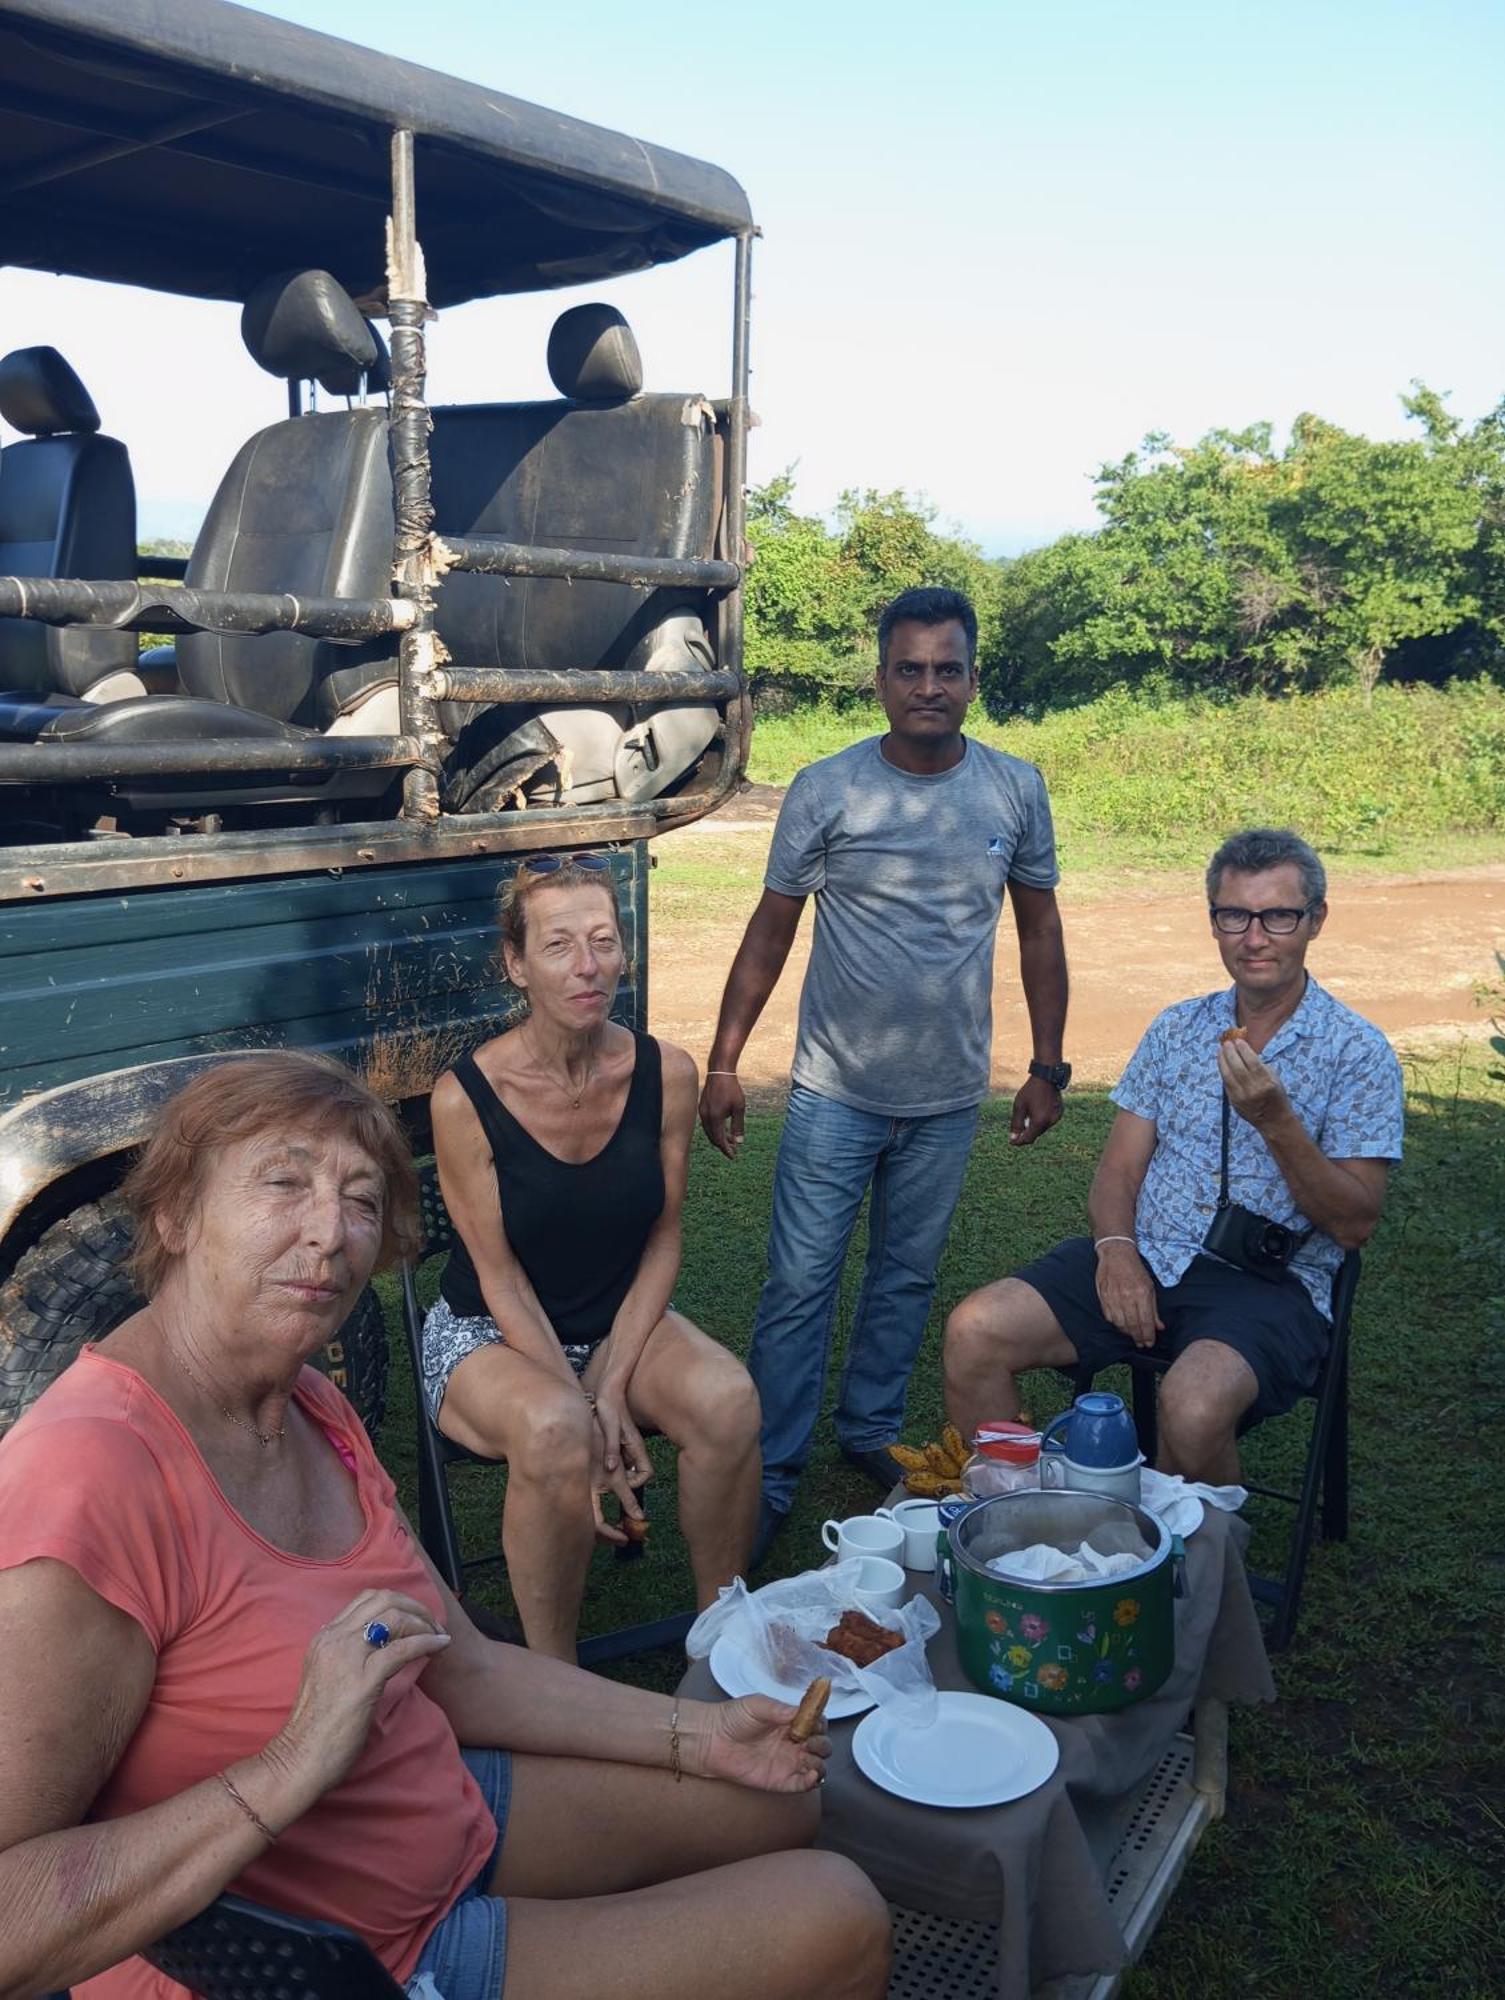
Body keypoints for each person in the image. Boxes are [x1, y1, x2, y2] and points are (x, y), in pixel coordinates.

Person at [0, 1053, 891, 2000]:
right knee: (838, 1911)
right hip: (332, 1964)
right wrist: (292, 1761)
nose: (331, 1233)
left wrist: (700, 1730)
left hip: (425, 1816)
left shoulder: (304, 1403)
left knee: (772, 1807)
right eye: (282, 1182)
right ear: (173, 1215)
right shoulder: (87, 1478)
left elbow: (458, 1665)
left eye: (360, 1199)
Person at [700, 586, 1070, 1544]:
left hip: (950, 1098)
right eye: (909, 669)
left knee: (904, 1278)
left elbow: (1039, 931)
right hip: (833, 1091)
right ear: (879, 681)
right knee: (798, 1285)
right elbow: (769, 931)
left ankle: (866, 1427)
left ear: (973, 681)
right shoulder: (828, 788)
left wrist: (1048, 1065)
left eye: (947, 669)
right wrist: (724, 1062)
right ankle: (773, 1468)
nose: (928, 687)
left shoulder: (1013, 788)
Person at [944, 828, 1404, 1483]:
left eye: (1277, 916)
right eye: (1233, 915)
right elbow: (1118, 1171)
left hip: (1268, 1287)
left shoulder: (1356, 1053)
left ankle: (1196, 1573)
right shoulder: (1176, 1028)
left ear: (1314, 921)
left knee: (1188, 1407)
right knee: (974, 1330)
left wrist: (1274, 1120)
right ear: (1213, 922)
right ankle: (1021, 1530)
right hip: (1149, 1256)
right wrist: (1115, 1250)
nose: (1253, 938)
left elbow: (1354, 1222)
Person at [423, 854, 761, 1659]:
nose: (587, 966)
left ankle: (724, 1637)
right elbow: (496, 1272)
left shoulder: (666, 1074)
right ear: (515, 964)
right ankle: (553, 1673)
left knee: (727, 1400)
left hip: (617, 1322)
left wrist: (609, 1382)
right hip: (489, 1333)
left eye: (604, 941)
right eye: (558, 945)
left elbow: (662, 1235)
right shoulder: (463, 1097)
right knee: (552, 1431)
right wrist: (580, 1404)